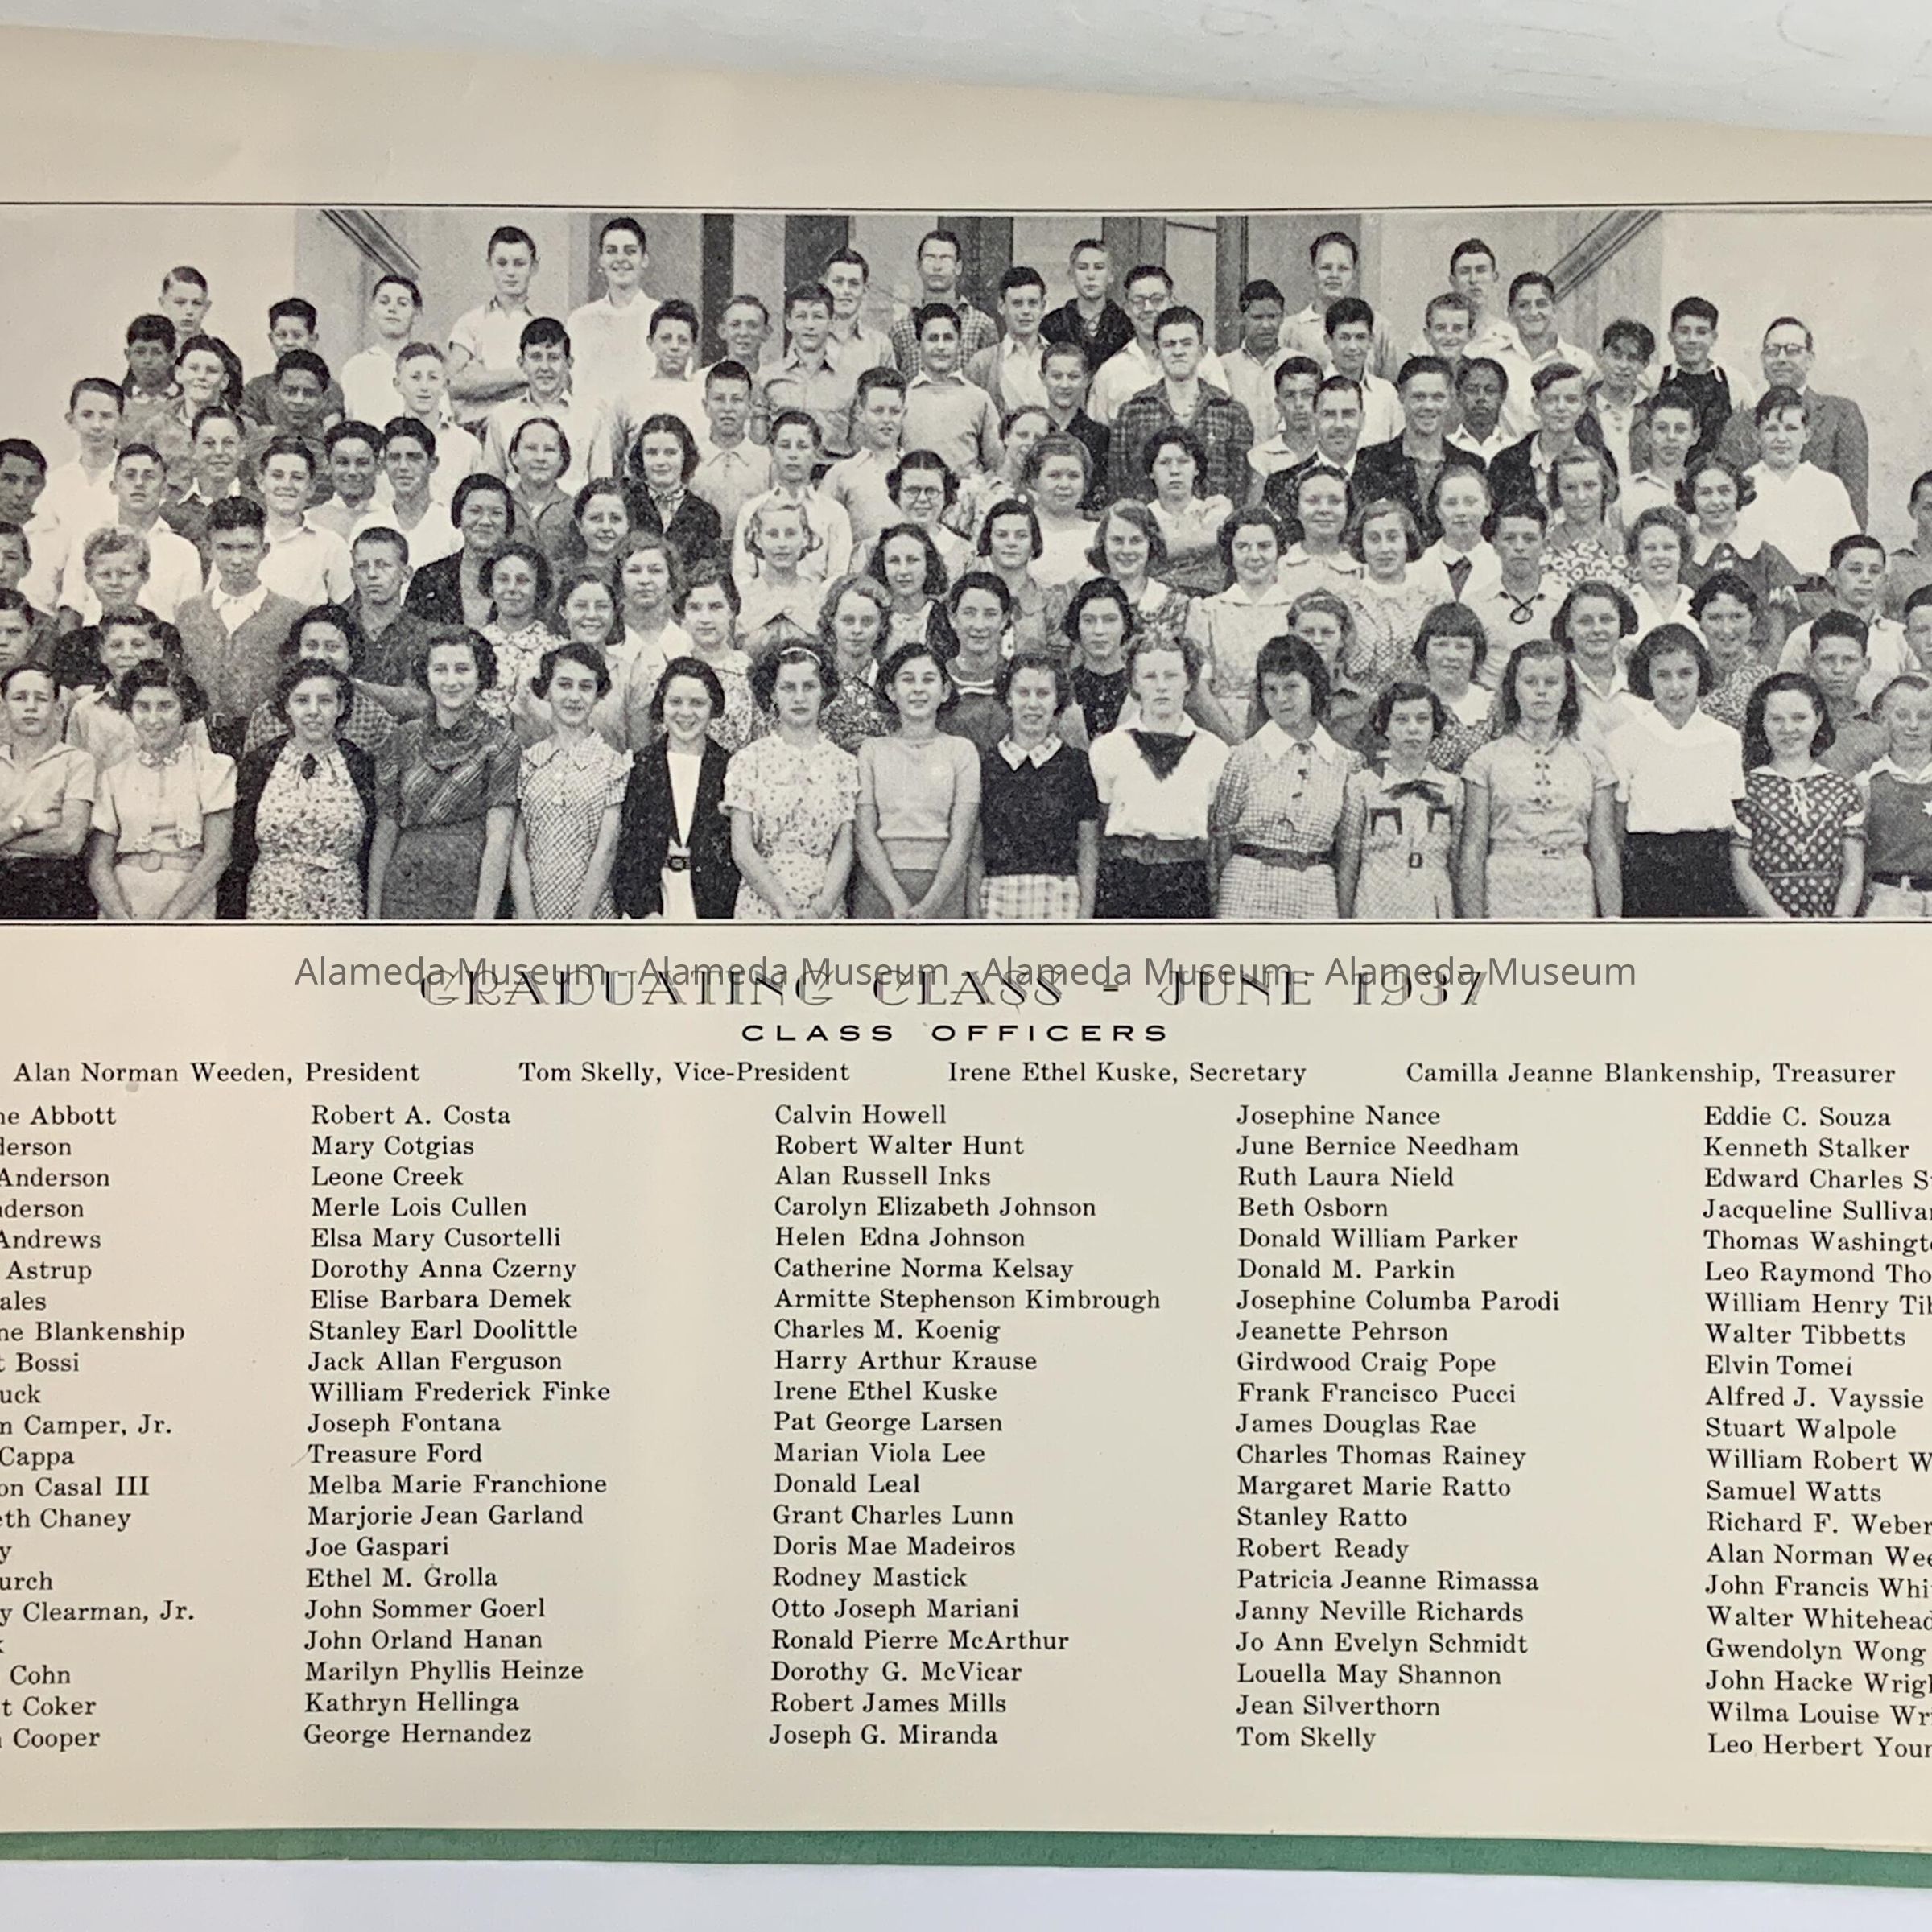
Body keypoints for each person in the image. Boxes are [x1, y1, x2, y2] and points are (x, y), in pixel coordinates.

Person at [1459, 638, 1620, 919]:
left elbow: (1604, 850)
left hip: (1573, 893)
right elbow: (1473, 848)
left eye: (1552, 682)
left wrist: (1612, 921)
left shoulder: (1592, 763)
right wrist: (1474, 924)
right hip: (1505, 891)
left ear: (1567, 690)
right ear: (1513, 689)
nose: (1541, 691)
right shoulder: (1485, 761)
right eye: (1530, 682)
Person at [1209, 634, 1364, 920]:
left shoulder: (1346, 763)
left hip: (1316, 893)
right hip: (1246, 890)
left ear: (1314, 686)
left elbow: (1348, 850)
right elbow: (1221, 838)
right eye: (1271, 689)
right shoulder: (1243, 758)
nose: (1281, 699)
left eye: (1291, 687)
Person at [369, 627, 518, 919]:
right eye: (440, 670)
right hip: (405, 887)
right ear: (426, 675)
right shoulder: (402, 739)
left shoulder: (501, 742)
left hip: (468, 888)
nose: (451, 681)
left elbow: (499, 839)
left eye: (462, 669)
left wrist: (483, 921)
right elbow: (386, 828)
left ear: (481, 675)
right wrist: (374, 913)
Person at [1608, 623, 1748, 918]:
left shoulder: (1726, 739)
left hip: (1712, 872)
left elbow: (1733, 809)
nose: (1675, 687)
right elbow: (1618, 827)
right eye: (1663, 675)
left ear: (1701, 673)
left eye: (1685, 673)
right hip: (1648, 872)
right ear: (1646, 677)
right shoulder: (1624, 739)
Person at [1089, 629, 1229, 918]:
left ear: (1189, 680)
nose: (1161, 686)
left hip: (1186, 882)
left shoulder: (1214, 751)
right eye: (1150, 677)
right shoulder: (1108, 748)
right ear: (1134, 682)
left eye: (1171, 676)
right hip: (1124, 881)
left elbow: (1217, 833)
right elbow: (1102, 821)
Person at [228, 656, 377, 922]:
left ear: (341, 706)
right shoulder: (260, 763)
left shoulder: (360, 765)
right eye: (302, 700)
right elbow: (240, 848)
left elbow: (370, 846)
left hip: (340, 905)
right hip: (270, 904)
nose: (313, 711)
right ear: (287, 706)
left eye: (325, 701)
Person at [86, 659, 234, 920]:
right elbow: (99, 863)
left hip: (188, 904)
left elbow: (218, 855)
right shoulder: (113, 777)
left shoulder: (214, 768)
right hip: (125, 903)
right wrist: (122, 921)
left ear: (185, 710)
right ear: (130, 712)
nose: (153, 719)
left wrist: (169, 921)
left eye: (166, 706)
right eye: (143, 707)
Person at [724, 642, 858, 919]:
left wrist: (822, 908)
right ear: (772, 693)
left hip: (823, 904)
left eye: (809, 687)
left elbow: (844, 846)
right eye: (788, 687)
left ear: (824, 691)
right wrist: (782, 905)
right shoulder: (749, 760)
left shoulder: (844, 764)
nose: (799, 697)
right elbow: (742, 847)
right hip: (763, 903)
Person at [851, 639, 980, 919]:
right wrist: (896, 899)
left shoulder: (962, 751)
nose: (918, 689)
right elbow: (864, 835)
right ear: (891, 691)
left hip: (943, 888)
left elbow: (962, 839)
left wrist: (930, 905)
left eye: (929, 679)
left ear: (945, 691)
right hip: (880, 887)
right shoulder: (872, 751)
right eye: (908, 680)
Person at [968, 653, 1101, 921]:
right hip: (998, 899)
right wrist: (973, 914)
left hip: (1061, 899)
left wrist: (1085, 914)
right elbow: (976, 852)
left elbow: (1088, 848)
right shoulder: (986, 766)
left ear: (1057, 700)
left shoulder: (1077, 765)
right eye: (1022, 693)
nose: (1032, 704)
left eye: (1043, 694)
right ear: (1008, 698)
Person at [509, 641, 630, 919]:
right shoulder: (529, 761)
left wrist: (579, 923)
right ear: (546, 691)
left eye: (586, 687)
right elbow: (517, 849)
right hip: (533, 915)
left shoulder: (613, 765)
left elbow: (606, 850)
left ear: (598, 695)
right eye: (564, 685)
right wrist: (527, 918)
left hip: (591, 916)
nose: (574, 697)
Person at [174, 495, 303, 755]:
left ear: (264, 550)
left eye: (246, 548)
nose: (236, 560)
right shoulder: (188, 613)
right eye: (225, 548)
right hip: (200, 747)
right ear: (208, 549)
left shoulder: (292, 615)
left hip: (266, 746)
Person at [611, 657, 738, 919]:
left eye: (697, 703)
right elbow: (629, 849)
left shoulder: (730, 768)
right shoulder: (641, 766)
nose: (685, 713)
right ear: (662, 704)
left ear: (713, 707)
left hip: (713, 908)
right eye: (675, 702)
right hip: (656, 905)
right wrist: (644, 911)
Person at [1730, 671, 1863, 919]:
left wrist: (1839, 922)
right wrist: (1782, 923)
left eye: (1799, 718)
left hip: (1831, 924)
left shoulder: (1843, 791)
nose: (1788, 729)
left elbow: (1853, 870)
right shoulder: (1744, 789)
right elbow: (1741, 869)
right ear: (1762, 723)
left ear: (1818, 718)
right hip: (1768, 923)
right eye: (1776, 719)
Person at [1717, 317, 1868, 527]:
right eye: (1773, 351)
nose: (1781, 359)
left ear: (1810, 359)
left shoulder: (1841, 414)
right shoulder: (1739, 423)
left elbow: (1855, 502)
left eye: (1792, 351)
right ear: (1763, 359)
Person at [1337, 681, 1462, 920]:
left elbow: (1456, 862)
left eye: (1422, 719)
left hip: (1433, 905)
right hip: (1377, 905)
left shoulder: (1453, 788)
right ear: (1384, 726)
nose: (1412, 729)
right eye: (1401, 720)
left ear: (1435, 726)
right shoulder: (1362, 786)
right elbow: (1349, 863)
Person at [1110, 305, 1253, 507]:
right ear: (1157, 353)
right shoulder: (1133, 412)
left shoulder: (1230, 412)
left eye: (1186, 344)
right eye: (1169, 345)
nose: (1178, 352)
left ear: (1202, 351)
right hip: (1150, 524)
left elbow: (1240, 488)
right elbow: (1119, 486)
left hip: (1213, 523)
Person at [56, 444, 204, 626]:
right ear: (113, 486)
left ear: (164, 488)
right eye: (130, 475)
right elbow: (71, 608)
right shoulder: (89, 542)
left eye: (149, 476)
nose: (139, 483)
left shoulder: (184, 552)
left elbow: (189, 623)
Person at [1184, 506, 1291, 742]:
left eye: (1264, 546)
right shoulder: (1207, 611)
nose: (1254, 556)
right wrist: (1234, 741)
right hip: (1218, 732)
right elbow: (1198, 688)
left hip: (1282, 730)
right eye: (1243, 547)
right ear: (1230, 552)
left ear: (1279, 550)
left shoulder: (1293, 611)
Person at [239, 601, 401, 759]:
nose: (320, 656)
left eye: (332, 647)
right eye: (311, 646)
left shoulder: (375, 720)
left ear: (351, 655)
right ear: (297, 652)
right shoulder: (267, 716)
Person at [1678, 453, 1800, 658]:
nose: (1716, 501)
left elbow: (1778, 635)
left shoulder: (1763, 555)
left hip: (1758, 661)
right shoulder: (1683, 556)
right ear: (1691, 498)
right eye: (1705, 493)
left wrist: (1760, 669)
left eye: (1724, 491)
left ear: (1739, 494)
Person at [0, 661, 96, 919]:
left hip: (54, 882)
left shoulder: (77, 762)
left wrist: (5, 835)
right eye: (20, 698)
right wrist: (26, 823)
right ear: (3, 708)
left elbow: (70, 840)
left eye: (41, 699)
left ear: (58, 708)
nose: (31, 707)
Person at [1734, 386, 1859, 580]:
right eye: (1771, 429)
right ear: (1756, 436)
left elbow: (1851, 551)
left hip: (1819, 590)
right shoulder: (1741, 485)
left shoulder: (1829, 486)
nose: (1781, 438)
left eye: (1791, 429)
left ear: (1807, 434)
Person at [1087, 264, 1229, 428]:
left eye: (1157, 300)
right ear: (1127, 309)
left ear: (1171, 302)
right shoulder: (1110, 371)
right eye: (1138, 302)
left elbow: (1224, 420)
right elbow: (1098, 433)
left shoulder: (1204, 360)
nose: (1147, 309)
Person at [483, 318, 609, 493]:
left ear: (569, 363)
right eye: (536, 357)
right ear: (521, 363)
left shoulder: (591, 417)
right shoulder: (502, 416)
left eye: (554, 358)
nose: (545, 367)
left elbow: (602, 487)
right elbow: (492, 486)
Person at [1777, 533, 1909, 694]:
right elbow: (1786, 695)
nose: (1866, 578)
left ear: (1884, 580)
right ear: (1832, 576)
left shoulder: (1901, 636)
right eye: (1855, 570)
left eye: (1875, 571)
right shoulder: (1803, 636)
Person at [1353, 357, 1468, 543]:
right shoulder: (1372, 461)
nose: (1428, 406)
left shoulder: (1469, 463)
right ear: (1401, 397)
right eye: (1419, 397)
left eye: (1437, 397)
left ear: (1450, 399)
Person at [446, 225, 544, 432]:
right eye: (502, 263)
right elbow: (453, 385)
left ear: (534, 267)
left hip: (525, 431)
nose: (510, 272)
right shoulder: (470, 322)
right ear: (489, 265)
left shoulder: (543, 327)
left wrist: (483, 381)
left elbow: (549, 385)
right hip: (476, 430)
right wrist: (523, 375)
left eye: (519, 264)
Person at [1348, 496, 1441, 695]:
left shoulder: (1433, 600)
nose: (1384, 549)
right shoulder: (1347, 602)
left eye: (1393, 537)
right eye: (1374, 539)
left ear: (1407, 542)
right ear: (1361, 544)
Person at [1856, 675, 1932, 915]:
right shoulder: (1867, 782)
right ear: (1883, 718)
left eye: (1925, 716)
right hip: (1889, 900)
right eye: (1902, 715)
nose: (1913, 725)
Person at [565, 216, 660, 409]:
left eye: (630, 251)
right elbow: (569, 382)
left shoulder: (659, 315)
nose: (620, 259)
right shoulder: (580, 320)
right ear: (601, 260)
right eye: (611, 251)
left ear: (644, 259)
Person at [754, 283, 858, 459]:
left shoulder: (851, 381)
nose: (810, 325)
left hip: (833, 470)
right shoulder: (766, 377)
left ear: (832, 322)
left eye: (818, 317)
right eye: (801, 316)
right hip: (784, 470)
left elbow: (858, 448)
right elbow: (758, 443)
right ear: (789, 322)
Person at [902, 307, 1001, 482]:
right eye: (933, 339)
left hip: (966, 493)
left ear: (959, 345)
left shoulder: (978, 398)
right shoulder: (903, 399)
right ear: (918, 346)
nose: (941, 347)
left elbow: (997, 462)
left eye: (948, 338)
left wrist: (978, 488)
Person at [1496, 272, 1600, 437]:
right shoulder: (1495, 359)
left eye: (1541, 304)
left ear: (1554, 309)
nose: (1533, 312)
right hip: (1509, 452)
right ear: (1510, 312)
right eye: (1523, 305)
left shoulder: (1580, 361)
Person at [1463, 497, 1559, 675]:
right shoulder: (1475, 606)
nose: (1519, 547)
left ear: (1544, 545)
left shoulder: (1563, 602)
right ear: (1495, 545)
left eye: (1529, 539)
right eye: (1509, 539)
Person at [1282, 231, 1399, 376]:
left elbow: (1390, 382)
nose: (1334, 275)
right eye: (1326, 268)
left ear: (1354, 275)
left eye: (1343, 269)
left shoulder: (1380, 327)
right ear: (1312, 272)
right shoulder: (1289, 330)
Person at [254, 436, 353, 605]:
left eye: (297, 477)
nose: (287, 485)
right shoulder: (240, 542)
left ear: (311, 488)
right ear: (261, 482)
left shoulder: (331, 546)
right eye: (277, 476)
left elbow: (347, 609)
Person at [405, 473, 511, 629]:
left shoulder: (521, 577)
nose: (485, 521)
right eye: (475, 511)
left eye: (496, 513)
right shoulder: (429, 578)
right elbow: (408, 636)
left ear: (508, 521)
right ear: (459, 516)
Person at [888, 229, 997, 378]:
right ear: (918, 266)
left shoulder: (981, 325)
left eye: (945, 258)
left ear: (958, 267)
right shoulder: (901, 329)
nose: (937, 266)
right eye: (930, 258)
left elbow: (991, 381)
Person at [1082, 498, 1191, 647]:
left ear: (1151, 544)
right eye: (1117, 540)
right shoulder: (1083, 598)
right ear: (1103, 544)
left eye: (1136, 541)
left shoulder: (1175, 605)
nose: (1126, 550)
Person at [823, 368, 906, 556]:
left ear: (904, 413)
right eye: (878, 411)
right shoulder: (842, 474)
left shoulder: (915, 471)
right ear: (860, 413)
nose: (887, 420)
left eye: (894, 411)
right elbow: (825, 534)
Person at [1552, 577, 1641, 749]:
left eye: (1606, 620)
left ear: (1621, 624)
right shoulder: (1555, 682)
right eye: (1585, 621)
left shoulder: (1639, 676)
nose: (1597, 629)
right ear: (1568, 628)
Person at [677, 560, 758, 753]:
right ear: (683, 614)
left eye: (715, 607)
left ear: (732, 611)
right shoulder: (673, 671)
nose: (705, 619)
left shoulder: (749, 672)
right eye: (695, 608)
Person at [1143, 427, 1232, 598]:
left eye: (1183, 462)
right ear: (1151, 472)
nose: (1175, 471)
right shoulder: (1143, 516)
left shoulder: (1214, 510)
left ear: (1197, 469)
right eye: (1164, 463)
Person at [476, 540, 555, 731]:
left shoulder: (555, 649)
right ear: (491, 587)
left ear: (539, 589)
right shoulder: (473, 645)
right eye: (503, 580)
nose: (512, 588)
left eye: (522, 580)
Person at [357, 419, 458, 568]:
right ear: (383, 464)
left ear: (432, 463)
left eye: (414, 458)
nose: (403, 467)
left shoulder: (452, 526)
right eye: (394, 458)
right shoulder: (368, 525)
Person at [625, 412, 724, 564]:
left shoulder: (705, 514)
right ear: (641, 458)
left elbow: (708, 570)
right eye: (652, 453)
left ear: (685, 456)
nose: (660, 462)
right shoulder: (625, 504)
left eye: (670, 453)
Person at [1411, 600, 1497, 774]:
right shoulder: (1407, 702)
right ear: (1424, 650)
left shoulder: (1494, 706)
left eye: (1462, 647)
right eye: (1441, 645)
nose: (1451, 656)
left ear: (1476, 653)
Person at [392, 343, 485, 502]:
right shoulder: (387, 444)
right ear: (397, 384)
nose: (424, 387)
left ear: (444, 385)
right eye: (415, 377)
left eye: (433, 378)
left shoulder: (467, 445)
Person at [691, 361, 770, 543]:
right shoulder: (691, 458)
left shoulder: (766, 461)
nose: (727, 408)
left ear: (750, 407)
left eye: (737, 400)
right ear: (705, 406)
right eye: (719, 399)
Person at [737, 498, 827, 658]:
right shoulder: (743, 596)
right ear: (758, 539)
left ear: (805, 538)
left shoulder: (818, 596)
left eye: (790, 534)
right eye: (773, 534)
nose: (782, 544)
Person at [238, 300, 346, 432]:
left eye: (297, 336)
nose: (289, 342)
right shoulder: (257, 387)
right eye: (281, 335)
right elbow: (248, 429)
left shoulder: (329, 388)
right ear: (271, 339)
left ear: (312, 339)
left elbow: (330, 431)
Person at [815, 574, 894, 753]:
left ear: (882, 625)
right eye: (848, 620)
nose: (857, 630)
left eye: (867, 622)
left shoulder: (892, 682)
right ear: (832, 621)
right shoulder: (815, 680)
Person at [950, 404, 1049, 543]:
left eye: (1038, 439)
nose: (1030, 443)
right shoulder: (976, 489)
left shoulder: (1046, 496)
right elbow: (953, 539)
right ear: (1007, 436)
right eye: (1022, 435)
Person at [1807, 613, 1888, 779]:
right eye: (1828, 659)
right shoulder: (1793, 723)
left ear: (1865, 666)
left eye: (1849, 660)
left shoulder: (1878, 733)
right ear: (1811, 664)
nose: (1838, 670)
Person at [865, 450, 968, 580]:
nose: (922, 499)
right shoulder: (870, 549)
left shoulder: (966, 554)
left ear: (946, 495)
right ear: (897, 494)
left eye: (932, 491)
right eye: (913, 491)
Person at [339, 275, 425, 428]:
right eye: (384, 302)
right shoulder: (355, 367)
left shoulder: (428, 366)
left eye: (402, 304)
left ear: (416, 315)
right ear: (372, 310)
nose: (392, 309)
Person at [1692, 570, 1773, 730]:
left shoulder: (1767, 680)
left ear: (1753, 620)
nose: (1726, 629)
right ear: (1700, 622)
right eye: (1715, 618)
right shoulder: (1688, 675)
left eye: (1737, 617)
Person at [964, 266, 1050, 417]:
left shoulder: (1058, 359)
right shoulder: (983, 364)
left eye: (1033, 303)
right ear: (1001, 307)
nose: (1026, 311)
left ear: (1043, 307)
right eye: (1017, 303)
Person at [1061, 576, 1139, 741]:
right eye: (1089, 621)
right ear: (1076, 626)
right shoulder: (1062, 687)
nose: (1099, 631)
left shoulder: (1141, 686)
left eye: (1110, 620)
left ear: (1125, 625)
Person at [1544, 448, 1630, 590]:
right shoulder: (1543, 547)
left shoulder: (1625, 546)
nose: (1581, 497)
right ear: (1557, 492)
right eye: (1570, 488)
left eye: (1590, 486)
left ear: (1604, 487)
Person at [1042, 238, 1133, 374]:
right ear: (1071, 275)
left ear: (1111, 275)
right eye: (1083, 268)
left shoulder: (1126, 325)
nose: (1091, 276)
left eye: (1099, 268)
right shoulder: (1053, 325)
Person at [1021, 434, 1099, 588]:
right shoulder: (1018, 531)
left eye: (1073, 476)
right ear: (1034, 480)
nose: (1064, 484)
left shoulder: (1098, 534)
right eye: (1054, 475)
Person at [1275, 464, 1360, 606]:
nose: (1324, 510)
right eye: (1313, 501)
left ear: (1348, 509)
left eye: (1335, 501)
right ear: (1296, 509)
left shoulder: (1359, 569)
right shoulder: (1280, 568)